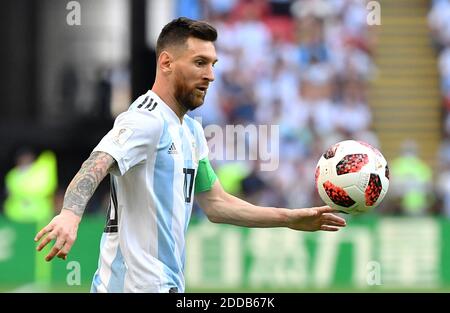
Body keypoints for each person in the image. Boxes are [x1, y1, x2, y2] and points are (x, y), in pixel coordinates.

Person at [34, 17, 346, 293]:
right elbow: (98, 162)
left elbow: (217, 204)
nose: (210, 75)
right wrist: (70, 215)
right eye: (200, 63)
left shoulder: (191, 131)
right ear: (166, 63)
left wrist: (288, 218)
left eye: (213, 64)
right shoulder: (146, 119)